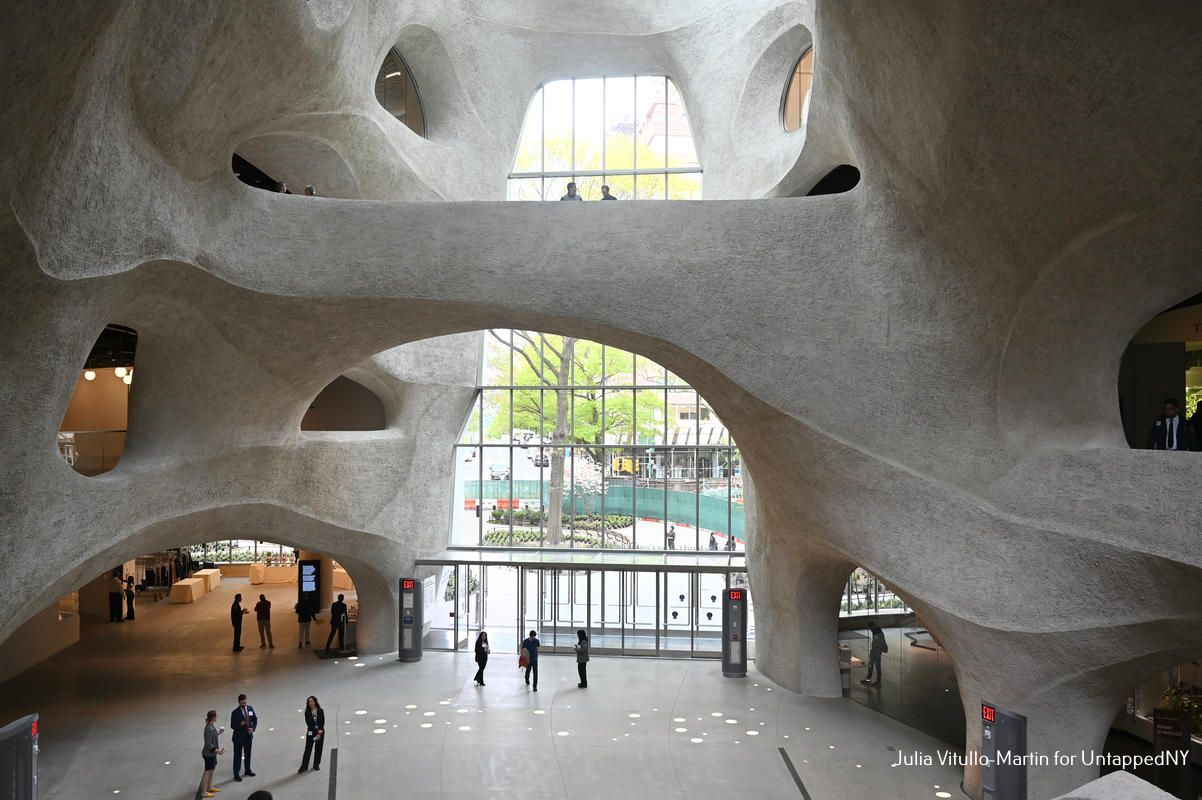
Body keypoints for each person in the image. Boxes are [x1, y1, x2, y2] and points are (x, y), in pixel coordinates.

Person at [230, 693, 257, 781]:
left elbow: (255, 719)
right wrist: (239, 724)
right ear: (239, 702)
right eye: (242, 703)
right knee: (238, 755)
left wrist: (252, 729)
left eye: (245, 703)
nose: (243, 704)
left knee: (248, 754)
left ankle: (247, 770)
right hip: (238, 738)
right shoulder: (235, 712)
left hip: (248, 736)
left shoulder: (250, 708)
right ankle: (236, 773)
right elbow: (232, 725)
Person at [200, 709, 224, 799]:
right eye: (216, 716)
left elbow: (211, 737)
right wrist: (218, 750)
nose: (217, 717)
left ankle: (209, 787)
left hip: (212, 754)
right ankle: (203, 792)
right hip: (209, 754)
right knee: (207, 772)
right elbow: (208, 744)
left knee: (211, 770)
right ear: (213, 717)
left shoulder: (211, 726)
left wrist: (218, 732)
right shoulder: (209, 728)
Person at [298, 695, 324, 773]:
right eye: (309, 702)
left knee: (318, 749)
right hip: (311, 733)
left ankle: (316, 765)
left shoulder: (320, 710)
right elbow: (309, 724)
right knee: (308, 749)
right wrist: (316, 732)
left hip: (320, 732)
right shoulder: (307, 713)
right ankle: (304, 767)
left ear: (315, 702)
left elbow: (322, 721)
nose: (310, 703)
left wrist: (320, 730)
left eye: (311, 701)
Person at [861, 620, 888, 686]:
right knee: (872, 665)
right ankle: (869, 680)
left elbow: (880, 643)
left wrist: (878, 650)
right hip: (875, 651)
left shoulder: (877, 633)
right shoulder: (876, 632)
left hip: (876, 652)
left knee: (876, 666)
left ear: (872, 627)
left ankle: (877, 682)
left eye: (870, 628)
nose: (870, 630)